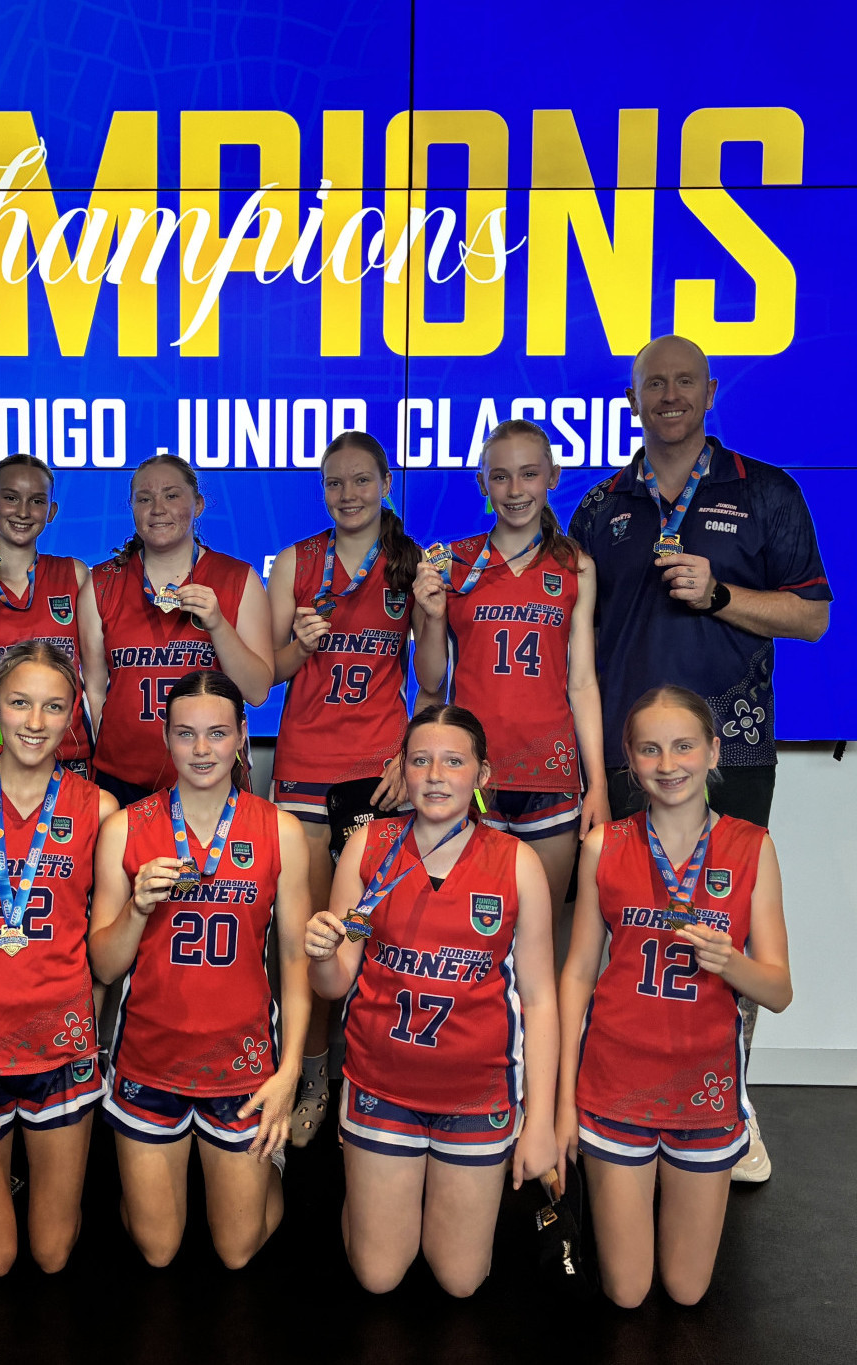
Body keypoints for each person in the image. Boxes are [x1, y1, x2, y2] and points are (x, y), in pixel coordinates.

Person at [566, 333, 830, 1181]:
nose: (669, 395)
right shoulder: (600, 505)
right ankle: (607, 1100)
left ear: (710, 392)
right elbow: (574, 647)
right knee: (621, 940)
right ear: (634, 398)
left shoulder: (767, 492)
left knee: (723, 937)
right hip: (623, 758)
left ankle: (731, 1104)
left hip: (734, 750)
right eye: (653, 384)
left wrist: (722, 594)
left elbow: (814, 616)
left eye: (685, 382)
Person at [304, 705, 558, 1297]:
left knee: (461, 1281)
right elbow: (335, 983)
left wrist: (539, 1121)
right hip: (380, 1084)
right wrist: (321, 954)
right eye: (420, 761)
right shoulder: (368, 846)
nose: (436, 775)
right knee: (379, 1276)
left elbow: (541, 1001)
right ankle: (370, 1201)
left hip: (477, 1095)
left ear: (482, 775)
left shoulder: (516, 863)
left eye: (453, 761)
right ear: (401, 771)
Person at [553, 685, 792, 1307]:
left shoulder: (752, 847)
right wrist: (561, 1104)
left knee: (687, 1292)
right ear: (629, 761)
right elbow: (577, 973)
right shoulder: (604, 845)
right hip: (614, 1083)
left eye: (684, 746)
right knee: (628, 1292)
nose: (668, 764)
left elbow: (780, 990)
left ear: (715, 753)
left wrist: (731, 962)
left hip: (704, 1089)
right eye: (650, 750)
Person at [89, 671, 311, 1268]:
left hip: (239, 1061)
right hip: (148, 1055)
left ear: (242, 736)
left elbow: (293, 960)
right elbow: (103, 965)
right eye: (186, 734)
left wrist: (289, 1072)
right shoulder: (124, 829)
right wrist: (137, 908)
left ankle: (264, 1169)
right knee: (158, 1250)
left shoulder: (281, 830)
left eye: (217, 733)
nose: (203, 749)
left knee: (237, 1251)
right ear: (166, 739)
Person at [0, 642, 119, 1276]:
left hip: (59, 1038)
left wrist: (86, 1021)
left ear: (72, 718)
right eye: (21, 703)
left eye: (54, 707)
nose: (36, 722)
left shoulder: (100, 810)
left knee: (54, 1254)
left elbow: (106, 940)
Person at [267, 430, 427, 1147]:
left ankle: (367, 1076)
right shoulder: (297, 561)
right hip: (303, 768)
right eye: (335, 483)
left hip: (379, 774)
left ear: (384, 481)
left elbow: (438, 678)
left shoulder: (411, 561)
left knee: (373, 938)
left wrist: (411, 753)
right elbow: (268, 669)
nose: (348, 494)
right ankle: (310, 1073)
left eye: (361, 480)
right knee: (305, 941)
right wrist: (298, 643)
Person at [411, 419, 608, 924]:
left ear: (553, 477)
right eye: (500, 476)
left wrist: (598, 786)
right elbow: (431, 681)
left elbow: (582, 682)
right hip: (472, 770)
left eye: (528, 474)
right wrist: (430, 616)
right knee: (465, 926)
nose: (515, 490)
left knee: (546, 929)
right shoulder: (452, 563)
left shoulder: (575, 566)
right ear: (481, 484)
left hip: (551, 771)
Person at [90, 456, 272, 806]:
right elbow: (95, 693)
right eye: (144, 498)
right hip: (121, 781)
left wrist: (217, 624)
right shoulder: (101, 582)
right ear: (132, 508)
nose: (158, 508)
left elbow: (258, 691)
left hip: (212, 776)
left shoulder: (238, 578)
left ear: (198, 504)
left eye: (172, 496)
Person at [0, 453, 106, 782]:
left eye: (36, 501)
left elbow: (96, 687)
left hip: (67, 755)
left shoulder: (75, 575)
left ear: (51, 512)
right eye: (10, 498)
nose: (23, 512)